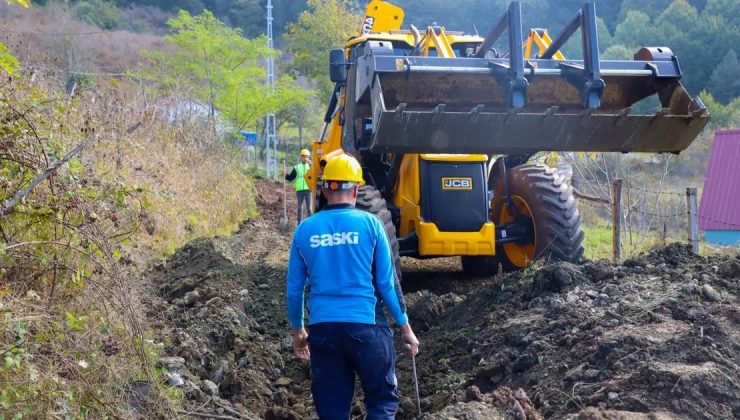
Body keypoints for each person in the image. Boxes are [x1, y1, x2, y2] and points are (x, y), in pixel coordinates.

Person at [286, 154, 420, 419]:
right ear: (357, 189)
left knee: (332, 409)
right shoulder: (371, 225)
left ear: (324, 189)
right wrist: (405, 327)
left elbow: (294, 289)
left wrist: (298, 330)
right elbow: (386, 284)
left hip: (324, 332)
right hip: (367, 329)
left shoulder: (304, 230)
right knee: (381, 401)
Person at [285, 149, 312, 222]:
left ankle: (311, 223)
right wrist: (285, 175)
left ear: (309, 157)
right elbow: (291, 177)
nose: (305, 158)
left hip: (308, 189)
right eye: (303, 157)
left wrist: (312, 164)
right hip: (299, 190)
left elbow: (315, 174)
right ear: (301, 157)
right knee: (300, 208)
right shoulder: (296, 167)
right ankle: (299, 224)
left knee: (309, 208)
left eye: (306, 157)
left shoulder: (311, 167)